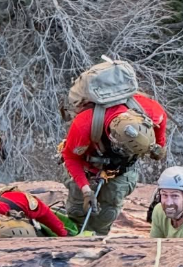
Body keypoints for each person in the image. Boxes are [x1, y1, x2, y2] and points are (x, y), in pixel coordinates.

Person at [62, 93, 168, 236]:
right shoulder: (84, 124)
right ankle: (74, 238)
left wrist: (159, 144)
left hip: (120, 171)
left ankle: (99, 238)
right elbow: (70, 157)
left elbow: (162, 118)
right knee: (78, 211)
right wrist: (86, 190)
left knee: (107, 214)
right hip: (87, 166)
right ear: (113, 138)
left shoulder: (153, 111)